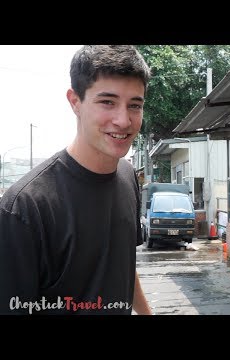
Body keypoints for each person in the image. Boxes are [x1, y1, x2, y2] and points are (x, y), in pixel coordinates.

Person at [0, 45, 153, 315]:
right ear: (75, 102)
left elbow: (122, 264)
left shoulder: (128, 177)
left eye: (135, 105)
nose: (123, 120)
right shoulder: (25, 207)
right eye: (107, 102)